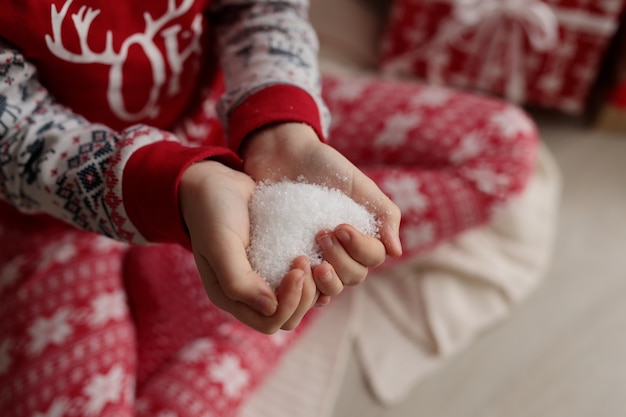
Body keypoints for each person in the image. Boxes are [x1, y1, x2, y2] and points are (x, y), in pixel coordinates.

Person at [0, 1, 537, 416]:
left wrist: (283, 122)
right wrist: (174, 187)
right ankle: (247, 294)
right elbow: (16, 135)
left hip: (235, 119)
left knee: (503, 144)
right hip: (51, 220)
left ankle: (241, 286)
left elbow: (262, 8)